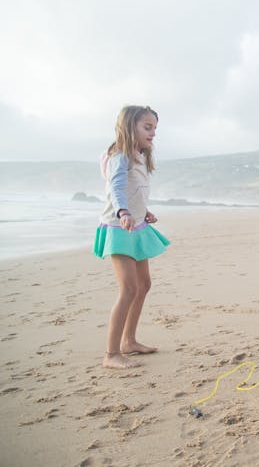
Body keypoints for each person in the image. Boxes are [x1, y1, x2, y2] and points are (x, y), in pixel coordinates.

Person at [93, 105, 170, 369]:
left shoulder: (139, 156)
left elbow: (133, 189)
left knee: (144, 285)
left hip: (135, 225)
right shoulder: (120, 155)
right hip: (119, 227)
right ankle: (111, 354)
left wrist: (143, 211)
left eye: (155, 128)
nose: (153, 133)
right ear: (130, 127)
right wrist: (123, 210)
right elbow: (115, 186)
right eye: (147, 127)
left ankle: (129, 341)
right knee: (128, 288)